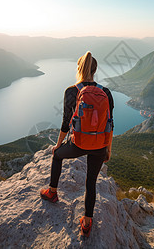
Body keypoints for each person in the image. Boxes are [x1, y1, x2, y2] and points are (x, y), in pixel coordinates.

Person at [40, 51, 114, 237]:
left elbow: (66, 123)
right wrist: (108, 149)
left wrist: (58, 145)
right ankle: (87, 222)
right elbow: (110, 125)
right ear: (95, 70)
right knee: (91, 182)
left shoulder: (72, 91)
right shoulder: (106, 92)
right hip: (98, 145)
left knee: (57, 156)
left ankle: (52, 192)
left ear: (79, 68)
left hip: (78, 144)